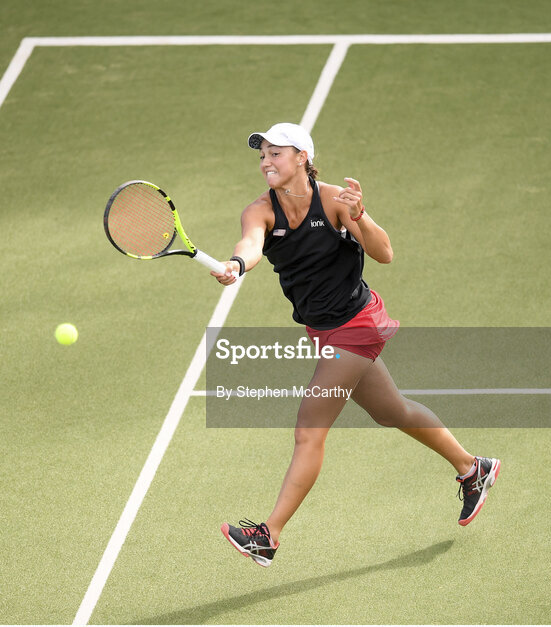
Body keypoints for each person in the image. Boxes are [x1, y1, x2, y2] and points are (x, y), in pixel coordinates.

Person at [213, 123, 500, 568]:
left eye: (276, 154)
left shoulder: (334, 201)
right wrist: (236, 264)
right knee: (392, 412)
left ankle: (268, 535)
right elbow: (250, 245)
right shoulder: (260, 211)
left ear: (303, 157)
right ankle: (473, 468)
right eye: (263, 155)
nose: (266, 162)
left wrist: (361, 215)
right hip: (323, 330)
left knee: (309, 427)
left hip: (357, 323)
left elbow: (385, 254)